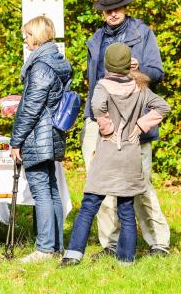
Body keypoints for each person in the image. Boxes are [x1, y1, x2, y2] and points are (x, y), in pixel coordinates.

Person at [62, 43, 170, 266]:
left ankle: (73, 255)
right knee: (126, 208)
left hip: (107, 154)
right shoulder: (140, 87)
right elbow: (162, 106)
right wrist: (140, 126)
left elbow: (97, 105)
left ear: (107, 64)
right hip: (130, 155)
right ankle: (126, 261)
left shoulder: (102, 86)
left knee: (90, 204)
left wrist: (106, 127)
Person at [82, 0, 169, 257]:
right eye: (107, 10)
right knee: (99, 184)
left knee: (140, 185)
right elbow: (92, 82)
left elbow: (157, 72)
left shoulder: (142, 34)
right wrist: (92, 119)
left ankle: (159, 242)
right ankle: (110, 243)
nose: (112, 14)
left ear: (125, 7)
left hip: (133, 120)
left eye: (116, 8)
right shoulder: (96, 39)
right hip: (99, 119)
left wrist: (138, 68)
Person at [10, 16, 72, 263]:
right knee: (52, 189)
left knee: (41, 191)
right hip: (52, 131)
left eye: (27, 35)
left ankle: (45, 248)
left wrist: (16, 141)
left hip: (38, 134)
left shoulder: (41, 66)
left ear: (36, 36)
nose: (25, 40)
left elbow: (31, 107)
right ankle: (56, 246)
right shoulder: (57, 60)